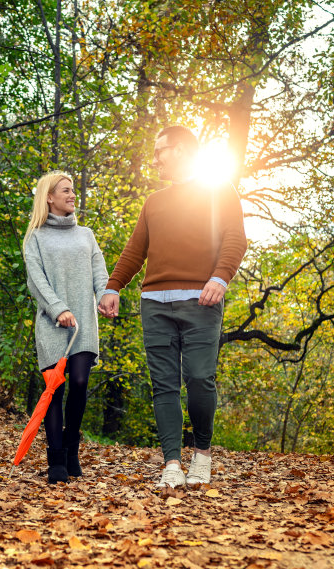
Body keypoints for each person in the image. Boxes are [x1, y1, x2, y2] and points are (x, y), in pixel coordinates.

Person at [99, 126, 247, 488]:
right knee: (163, 385)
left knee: (199, 378)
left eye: (160, 150)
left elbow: (235, 238)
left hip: (201, 300)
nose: (155, 158)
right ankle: (171, 464)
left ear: (180, 150)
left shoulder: (219, 191)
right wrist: (113, 286)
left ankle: (202, 455)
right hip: (155, 304)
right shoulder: (154, 202)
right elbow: (135, 251)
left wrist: (220, 278)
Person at [23, 171, 109, 484]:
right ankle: (56, 460)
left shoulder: (86, 234)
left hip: (83, 325)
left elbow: (100, 272)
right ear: (49, 197)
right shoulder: (35, 237)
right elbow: (36, 281)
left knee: (81, 382)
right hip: (51, 326)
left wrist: (106, 296)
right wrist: (58, 309)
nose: (73, 195)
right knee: (54, 391)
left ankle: (72, 448)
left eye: (73, 191)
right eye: (66, 191)